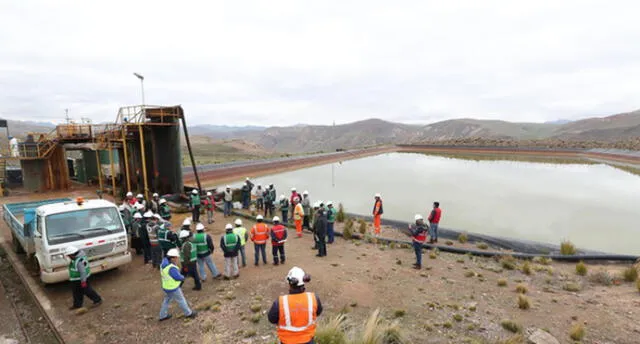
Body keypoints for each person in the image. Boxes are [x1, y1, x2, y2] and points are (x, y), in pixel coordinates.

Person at [268, 267, 322, 344]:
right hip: (308, 340)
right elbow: (318, 312)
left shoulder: (280, 302)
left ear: (290, 283)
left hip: (287, 341)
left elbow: (271, 319)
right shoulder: (313, 298)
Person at [159, 248, 197, 321]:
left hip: (166, 286)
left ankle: (162, 315)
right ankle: (188, 313)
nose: (177, 259)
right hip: (173, 287)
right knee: (181, 300)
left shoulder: (163, 263)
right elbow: (177, 277)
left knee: (166, 300)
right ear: (172, 258)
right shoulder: (171, 268)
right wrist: (183, 277)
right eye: (176, 257)